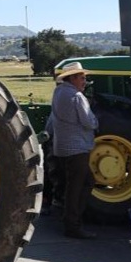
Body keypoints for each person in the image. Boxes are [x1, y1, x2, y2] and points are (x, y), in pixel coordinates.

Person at [49, 62, 98, 239]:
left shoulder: (58, 92)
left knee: (76, 184)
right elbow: (89, 122)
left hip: (61, 147)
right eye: (82, 78)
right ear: (73, 78)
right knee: (79, 187)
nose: (85, 82)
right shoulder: (77, 97)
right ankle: (72, 225)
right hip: (77, 148)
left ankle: (69, 218)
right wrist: (97, 121)